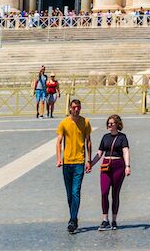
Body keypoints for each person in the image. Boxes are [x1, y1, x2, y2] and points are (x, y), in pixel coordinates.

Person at [55, 97, 94, 234]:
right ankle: (74, 218)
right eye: (74, 107)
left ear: (80, 108)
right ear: (70, 108)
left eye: (78, 107)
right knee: (69, 195)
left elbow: (88, 141)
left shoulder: (85, 122)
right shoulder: (64, 123)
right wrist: (59, 158)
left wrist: (89, 160)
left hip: (79, 161)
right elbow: (59, 142)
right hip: (67, 162)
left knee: (75, 191)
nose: (76, 109)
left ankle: (72, 220)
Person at [93, 113, 132, 230]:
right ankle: (105, 220)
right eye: (108, 123)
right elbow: (99, 153)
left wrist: (127, 166)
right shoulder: (105, 137)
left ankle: (114, 220)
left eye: (112, 123)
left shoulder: (122, 137)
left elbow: (126, 151)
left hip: (118, 166)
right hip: (106, 166)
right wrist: (90, 163)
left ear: (117, 125)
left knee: (115, 194)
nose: (109, 125)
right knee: (104, 192)